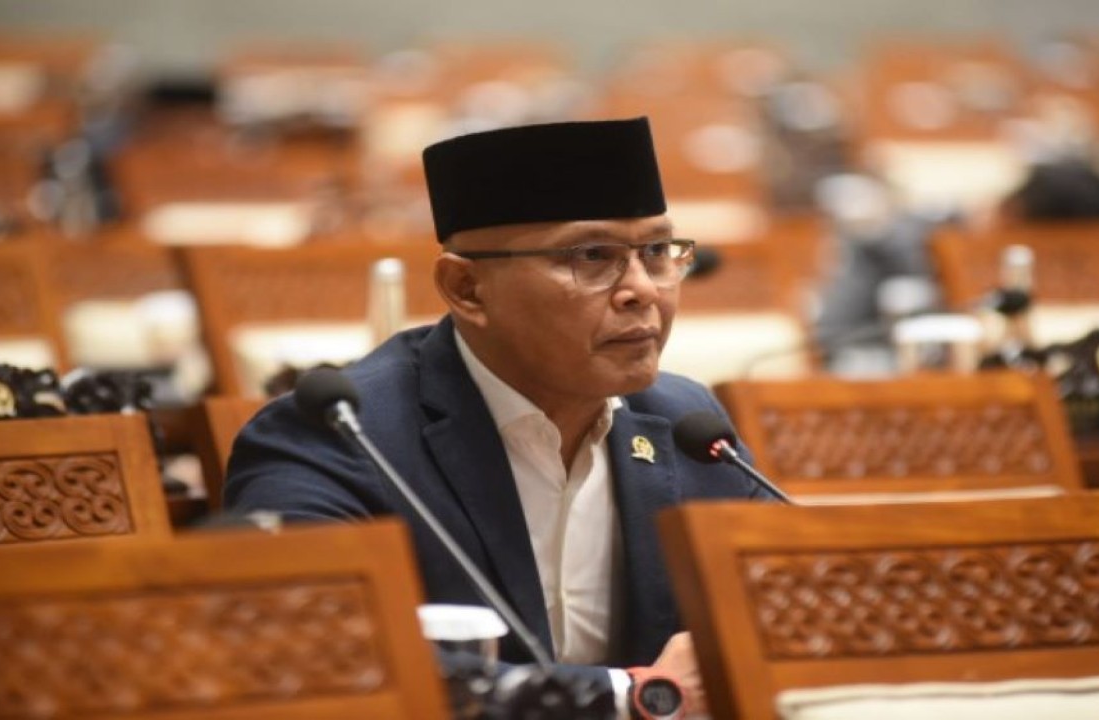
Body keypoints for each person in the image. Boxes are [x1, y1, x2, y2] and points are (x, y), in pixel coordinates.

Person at [223, 117, 769, 716]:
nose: (643, 290)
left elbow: (778, 598)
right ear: (467, 289)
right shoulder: (340, 434)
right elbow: (310, 643)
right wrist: (635, 697)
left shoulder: (688, 424)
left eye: (658, 252)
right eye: (592, 256)